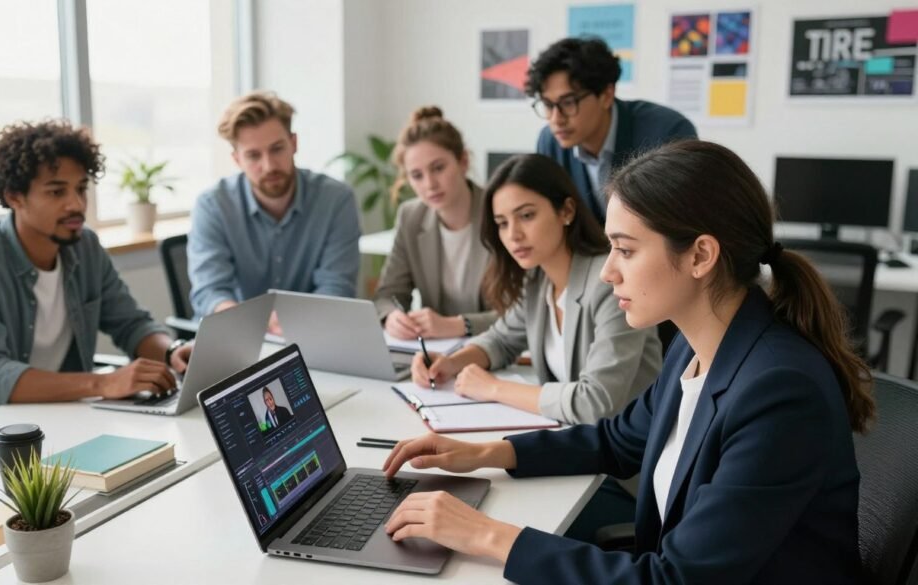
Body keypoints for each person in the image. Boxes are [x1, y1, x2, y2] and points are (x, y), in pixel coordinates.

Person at [383, 140, 871, 584]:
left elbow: (674, 579)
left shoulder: (779, 390)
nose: (609, 272)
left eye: (626, 250)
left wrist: (488, 536)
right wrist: (488, 453)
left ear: (700, 255)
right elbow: (617, 440)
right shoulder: (694, 346)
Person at [0, 120, 193, 417]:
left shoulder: (85, 246)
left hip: (63, 415)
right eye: (57, 192)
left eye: (81, 189)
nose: (77, 204)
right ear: (14, 197)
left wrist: (171, 352)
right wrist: (103, 383)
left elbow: (130, 323)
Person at [414, 154, 661, 426]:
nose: (513, 235)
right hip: (572, 438)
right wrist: (450, 363)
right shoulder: (538, 280)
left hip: (626, 455)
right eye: (502, 223)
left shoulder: (609, 283)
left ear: (566, 211)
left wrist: (493, 388)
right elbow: (501, 340)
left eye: (526, 215)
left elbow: (595, 402)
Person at [187, 91, 362, 334]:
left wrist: (294, 323)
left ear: (294, 143)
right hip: (237, 335)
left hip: (310, 333)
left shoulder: (336, 200)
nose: (268, 165)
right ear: (237, 159)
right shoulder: (213, 205)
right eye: (253, 155)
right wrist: (250, 323)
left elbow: (336, 286)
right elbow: (210, 291)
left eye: (277, 149)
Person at [528, 37, 697, 225]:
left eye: (568, 103)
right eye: (548, 105)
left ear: (607, 95)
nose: (556, 119)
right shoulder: (549, 142)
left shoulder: (668, 132)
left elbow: (679, 225)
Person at [374, 106, 496, 340]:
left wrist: (459, 325)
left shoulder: (499, 213)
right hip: (437, 355)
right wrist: (392, 317)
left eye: (438, 168)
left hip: (499, 351)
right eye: (417, 175)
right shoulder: (410, 217)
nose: (429, 184)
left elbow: (523, 311)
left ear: (463, 161)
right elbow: (388, 294)